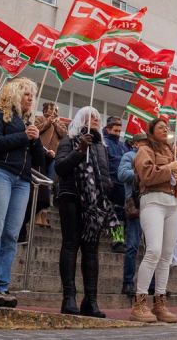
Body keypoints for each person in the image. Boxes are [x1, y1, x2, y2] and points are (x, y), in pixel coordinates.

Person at [0, 77, 44, 307]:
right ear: (14, 94)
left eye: (32, 95)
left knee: (11, 234)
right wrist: (24, 136)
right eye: (26, 94)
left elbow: (39, 160)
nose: (30, 98)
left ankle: (2, 286)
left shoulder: (28, 122)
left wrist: (36, 140)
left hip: (22, 180)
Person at [54, 106, 117, 317]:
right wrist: (80, 149)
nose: (95, 119)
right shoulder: (68, 140)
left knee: (91, 250)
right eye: (90, 116)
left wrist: (106, 189)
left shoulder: (101, 146)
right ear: (81, 119)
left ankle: (90, 300)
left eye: (97, 117)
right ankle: (69, 297)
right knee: (70, 244)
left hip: (95, 202)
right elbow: (60, 168)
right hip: (71, 196)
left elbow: (105, 175)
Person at [130, 118, 177, 324]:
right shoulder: (145, 149)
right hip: (153, 201)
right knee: (153, 251)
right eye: (161, 127)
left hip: (173, 203)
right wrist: (169, 168)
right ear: (152, 131)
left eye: (167, 127)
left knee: (166, 255)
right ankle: (139, 303)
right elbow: (147, 176)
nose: (165, 130)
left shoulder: (171, 153)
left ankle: (160, 303)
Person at [118, 133, 150, 297]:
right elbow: (122, 174)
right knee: (132, 245)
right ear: (135, 144)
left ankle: (151, 284)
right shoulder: (129, 156)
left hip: (151, 204)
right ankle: (128, 283)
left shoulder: (151, 157)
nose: (147, 145)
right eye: (144, 142)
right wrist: (141, 174)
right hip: (136, 204)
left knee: (152, 248)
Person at [103, 116, 127, 252]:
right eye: (115, 131)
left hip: (122, 184)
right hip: (110, 183)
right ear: (108, 129)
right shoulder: (104, 143)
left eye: (119, 131)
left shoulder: (123, 146)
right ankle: (117, 240)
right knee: (115, 213)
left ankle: (119, 239)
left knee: (121, 214)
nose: (117, 133)